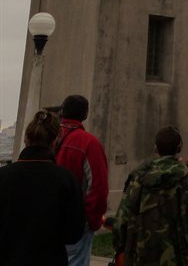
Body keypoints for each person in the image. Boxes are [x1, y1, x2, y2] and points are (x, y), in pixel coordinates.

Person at [0, 109, 85, 266]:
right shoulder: (66, 179)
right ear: (54, 142)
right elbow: (74, 233)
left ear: (26, 139)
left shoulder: (3, 176)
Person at [113, 126, 188, 266]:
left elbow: (121, 218)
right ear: (179, 148)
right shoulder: (186, 176)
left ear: (156, 148)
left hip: (140, 255)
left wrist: (120, 246)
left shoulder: (139, 175)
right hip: (176, 255)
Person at [55, 94, 109, 266]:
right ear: (85, 114)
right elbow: (98, 186)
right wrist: (92, 219)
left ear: (61, 111)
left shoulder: (46, 138)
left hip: (45, 218)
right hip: (76, 221)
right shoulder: (89, 143)